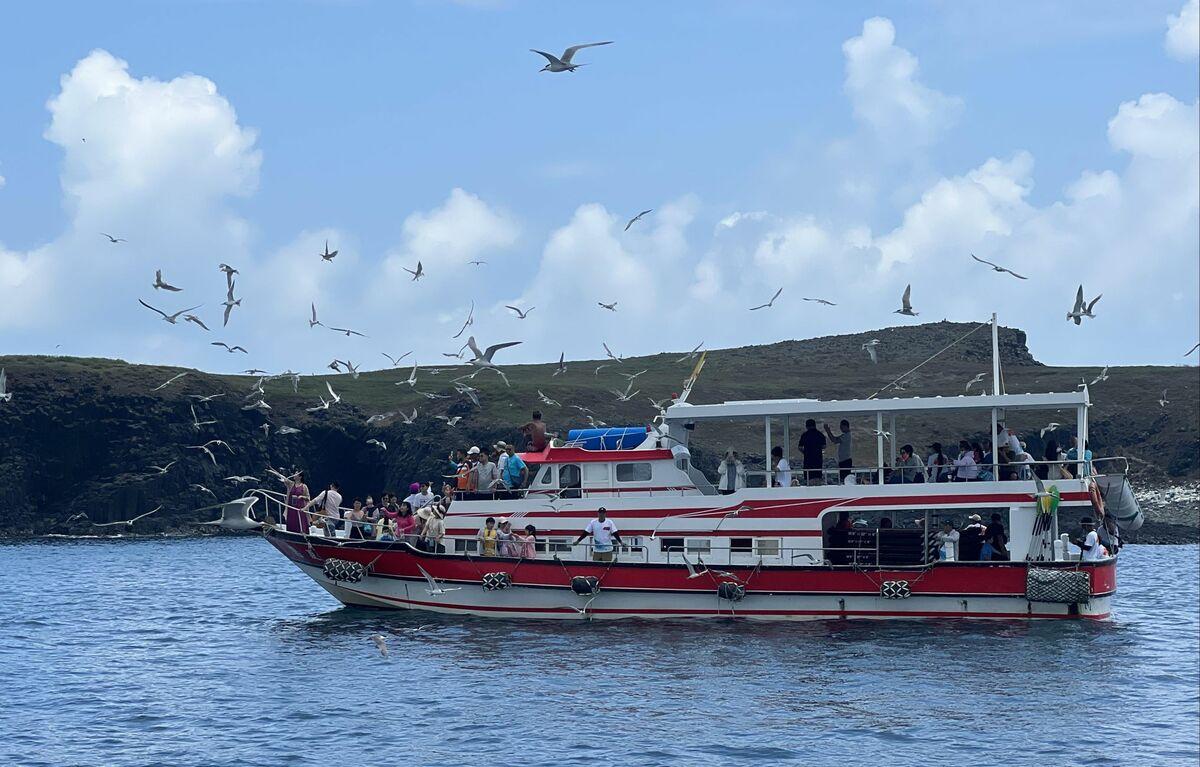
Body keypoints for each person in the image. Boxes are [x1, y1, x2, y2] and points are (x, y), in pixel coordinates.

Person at [798, 419, 827, 485]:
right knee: (818, 480)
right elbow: (824, 446)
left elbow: (800, 447)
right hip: (818, 461)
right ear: (815, 425)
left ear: (807, 426)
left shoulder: (804, 435)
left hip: (808, 461)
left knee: (809, 481)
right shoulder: (820, 434)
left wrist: (805, 452)